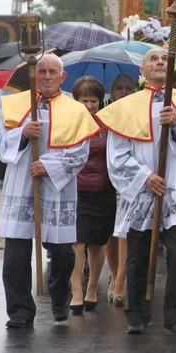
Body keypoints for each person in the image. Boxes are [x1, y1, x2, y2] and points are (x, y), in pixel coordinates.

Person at [95, 49, 176, 336]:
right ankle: (137, 315)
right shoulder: (126, 107)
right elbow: (117, 157)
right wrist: (146, 177)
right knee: (138, 253)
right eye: (153, 59)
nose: (159, 62)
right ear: (142, 71)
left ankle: (175, 316)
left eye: (164, 59)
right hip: (143, 190)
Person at [0, 53, 98, 329]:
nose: (47, 76)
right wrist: (22, 134)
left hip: (57, 189)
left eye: (53, 72)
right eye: (41, 71)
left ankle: (60, 295)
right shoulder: (16, 105)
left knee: (63, 252)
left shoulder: (75, 110)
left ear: (63, 78)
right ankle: (20, 311)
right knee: (16, 253)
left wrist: (48, 166)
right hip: (21, 184)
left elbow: (79, 154)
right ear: (33, 76)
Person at [68, 76, 116, 315]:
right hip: (75, 191)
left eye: (93, 100)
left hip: (104, 190)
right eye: (84, 100)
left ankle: (92, 287)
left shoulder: (107, 125)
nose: (89, 105)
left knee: (98, 244)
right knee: (76, 244)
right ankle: (76, 290)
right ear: (76, 100)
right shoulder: (68, 123)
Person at [104, 73, 136, 308]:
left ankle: (121, 280)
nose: (123, 92)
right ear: (111, 92)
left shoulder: (136, 115)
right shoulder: (103, 114)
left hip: (129, 179)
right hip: (103, 179)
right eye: (119, 88)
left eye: (128, 88)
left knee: (124, 231)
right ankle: (114, 272)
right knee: (109, 233)